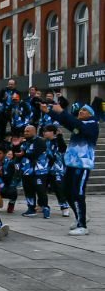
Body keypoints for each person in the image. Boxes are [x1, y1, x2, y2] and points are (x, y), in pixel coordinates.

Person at [42, 101, 99, 235]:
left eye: (84, 111)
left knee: (78, 192)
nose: (80, 112)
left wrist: (62, 111)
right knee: (67, 192)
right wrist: (49, 112)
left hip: (83, 164)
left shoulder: (92, 123)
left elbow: (75, 123)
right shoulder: (79, 125)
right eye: (80, 110)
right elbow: (69, 123)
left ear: (91, 114)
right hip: (71, 163)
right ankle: (80, 216)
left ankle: (82, 225)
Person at [17, 125, 50, 218]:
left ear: (34, 131)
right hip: (26, 170)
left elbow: (35, 154)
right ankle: (31, 208)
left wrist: (24, 154)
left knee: (41, 190)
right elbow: (18, 153)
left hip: (39, 171)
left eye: (28, 131)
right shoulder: (24, 142)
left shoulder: (40, 141)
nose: (25, 133)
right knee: (28, 191)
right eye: (25, 131)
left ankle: (45, 207)